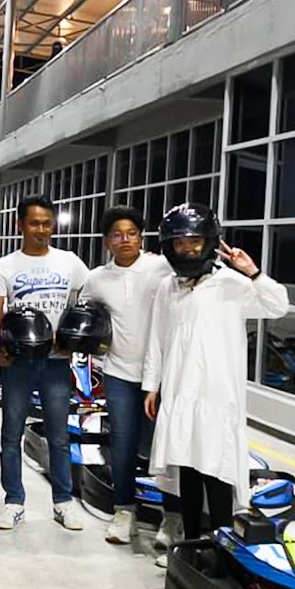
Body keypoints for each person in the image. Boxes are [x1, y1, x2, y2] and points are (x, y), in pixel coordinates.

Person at [142, 203, 289, 566]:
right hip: (179, 391)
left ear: (209, 241)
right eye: (180, 243)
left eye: (195, 241)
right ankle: (191, 546)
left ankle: (223, 549)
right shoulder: (168, 287)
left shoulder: (232, 285)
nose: (188, 249)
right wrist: (152, 385)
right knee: (187, 467)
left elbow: (278, 306)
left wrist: (252, 272)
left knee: (217, 468)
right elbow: (157, 339)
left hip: (218, 396)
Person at [0, 194, 89, 532]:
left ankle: (63, 501)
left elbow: (88, 300)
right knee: (10, 433)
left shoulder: (70, 262)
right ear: (21, 225)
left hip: (57, 362)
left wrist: (77, 337)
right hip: (17, 363)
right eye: (34, 223)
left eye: (47, 223)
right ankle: (13, 501)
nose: (41, 229)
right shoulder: (6, 265)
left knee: (59, 436)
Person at [79, 205, 177, 546]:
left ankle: (173, 518)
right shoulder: (97, 279)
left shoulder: (162, 267)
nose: (125, 240)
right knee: (121, 443)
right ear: (107, 241)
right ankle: (124, 511)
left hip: (164, 374)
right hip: (119, 372)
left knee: (165, 448)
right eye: (117, 235)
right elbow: (83, 313)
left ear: (141, 237)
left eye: (131, 234)